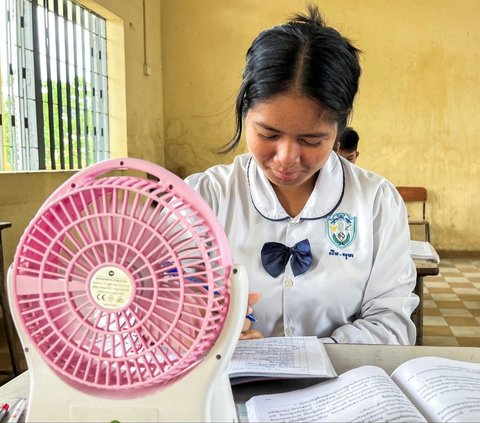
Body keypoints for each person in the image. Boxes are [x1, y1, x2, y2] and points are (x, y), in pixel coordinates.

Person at [185, 5, 418, 345]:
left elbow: (391, 323)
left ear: (339, 130)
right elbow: (160, 308)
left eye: (312, 140)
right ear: (245, 112)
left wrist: (307, 358)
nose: (287, 158)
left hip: (344, 389)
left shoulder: (375, 202)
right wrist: (199, 331)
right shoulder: (203, 198)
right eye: (268, 134)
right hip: (226, 392)